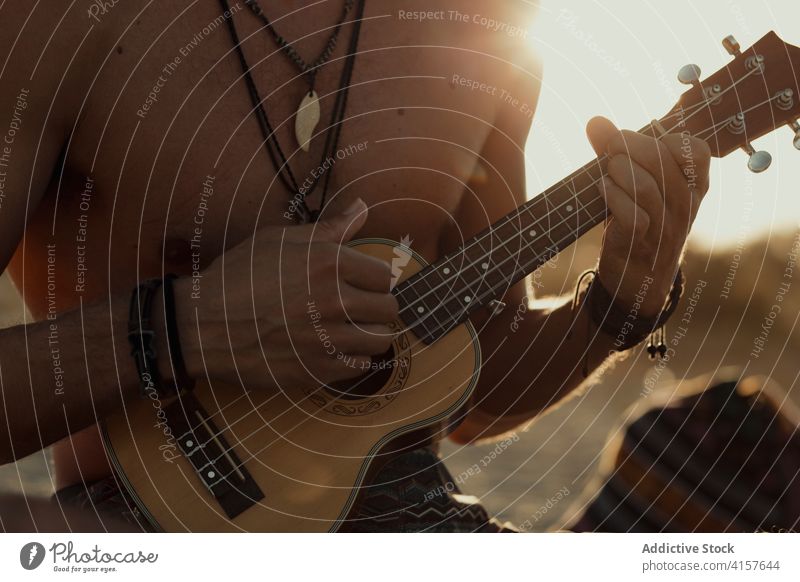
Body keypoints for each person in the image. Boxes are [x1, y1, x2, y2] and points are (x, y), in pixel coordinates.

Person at [0, 0, 710, 531]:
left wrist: (624, 300)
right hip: (134, 531)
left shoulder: (487, 33)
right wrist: (184, 327)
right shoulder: (61, 22)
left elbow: (476, 396)